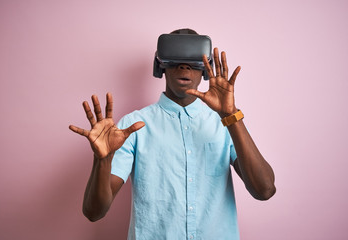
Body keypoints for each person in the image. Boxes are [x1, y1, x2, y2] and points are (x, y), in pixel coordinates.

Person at [69, 28, 276, 240]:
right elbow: (94, 212)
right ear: (161, 65)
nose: (184, 65)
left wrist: (231, 115)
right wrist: (102, 160)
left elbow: (265, 190)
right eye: (175, 58)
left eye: (193, 60)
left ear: (206, 69)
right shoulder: (133, 126)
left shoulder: (226, 122)